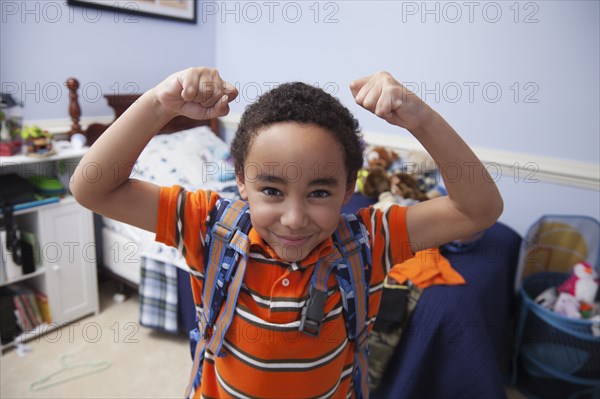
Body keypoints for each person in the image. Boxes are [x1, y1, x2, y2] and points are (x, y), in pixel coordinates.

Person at [71, 67, 503, 398]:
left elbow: (477, 209)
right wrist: (158, 105)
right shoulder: (208, 226)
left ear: (349, 187)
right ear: (241, 180)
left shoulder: (370, 239)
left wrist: (420, 119)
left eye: (319, 191)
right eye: (272, 190)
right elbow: (92, 186)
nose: (294, 219)